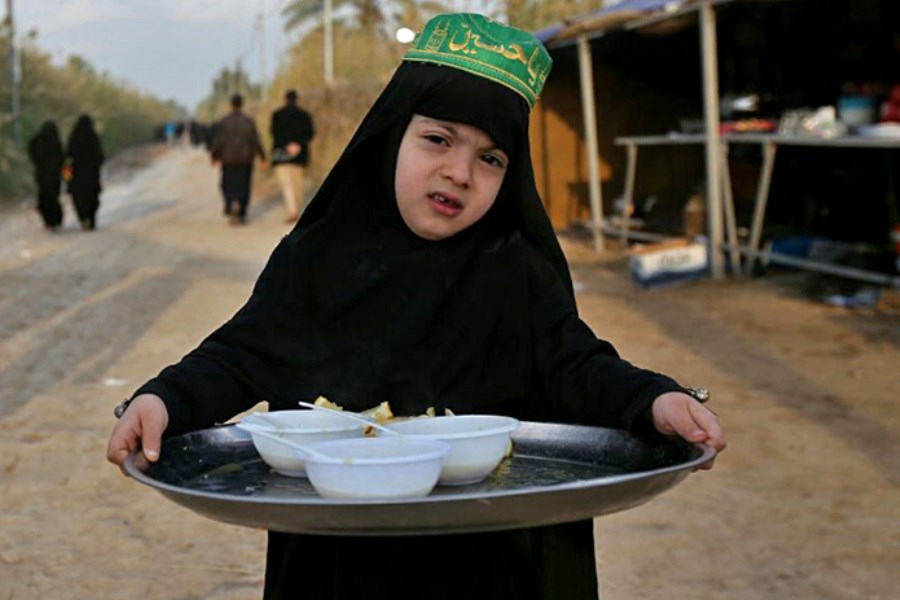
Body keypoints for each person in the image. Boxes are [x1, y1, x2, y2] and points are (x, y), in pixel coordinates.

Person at [107, 13, 725, 600]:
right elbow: (239, 356)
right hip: (341, 562)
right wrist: (163, 399)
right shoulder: (317, 259)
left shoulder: (514, 268)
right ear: (391, 136)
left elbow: (577, 364)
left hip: (489, 560)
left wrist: (655, 398)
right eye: (437, 139)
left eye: (490, 158)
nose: (460, 173)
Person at [210, 94, 266, 224]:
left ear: (231, 104)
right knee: (244, 185)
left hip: (228, 160)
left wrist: (214, 156)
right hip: (245, 159)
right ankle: (241, 211)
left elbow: (219, 140)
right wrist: (262, 156)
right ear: (242, 104)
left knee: (227, 184)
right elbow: (255, 140)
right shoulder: (248, 121)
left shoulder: (224, 121)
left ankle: (231, 204)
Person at [269, 89, 316, 223]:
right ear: (297, 99)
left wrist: (286, 145)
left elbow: (274, 133)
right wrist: (298, 145)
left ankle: (292, 210)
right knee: (297, 183)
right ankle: (295, 208)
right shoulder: (304, 115)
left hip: (281, 155)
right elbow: (310, 133)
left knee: (286, 184)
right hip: (299, 155)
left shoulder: (277, 115)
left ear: (285, 99)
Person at [65, 114, 105, 231]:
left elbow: (67, 159)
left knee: (79, 198)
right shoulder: (94, 138)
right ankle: (91, 220)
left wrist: (67, 176)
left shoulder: (73, 139)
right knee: (92, 197)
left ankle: (83, 219)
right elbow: (100, 157)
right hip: (91, 176)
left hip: (76, 176)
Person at [27, 120, 65, 231]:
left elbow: (32, 154)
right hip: (55, 177)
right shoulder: (56, 143)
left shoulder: (36, 141)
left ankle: (49, 221)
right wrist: (66, 176)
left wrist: (38, 164)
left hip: (41, 175)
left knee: (44, 196)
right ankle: (55, 219)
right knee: (53, 197)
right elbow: (64, 160)